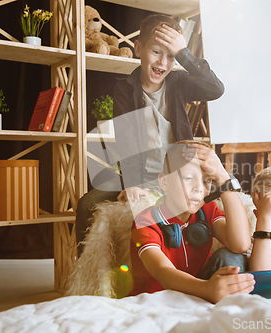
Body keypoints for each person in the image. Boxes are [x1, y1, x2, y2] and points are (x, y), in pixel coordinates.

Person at [75, 14, 225, 256]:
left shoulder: (179, 82)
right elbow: (126, 145)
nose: (163, 62)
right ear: (138, 48)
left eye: (171, 55)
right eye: (156, 52)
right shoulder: (125, 89)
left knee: (217, 200)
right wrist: (133, 187)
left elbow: (215, 89)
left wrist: (184, 52)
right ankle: (87, 274)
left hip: (179, 176)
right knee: (87, 203)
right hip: (142, 175)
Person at [129, 140, 254, 303]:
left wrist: (223, 177)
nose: (199, 188)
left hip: (200, 294)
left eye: (207, 181)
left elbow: (241, 244)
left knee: (231, 258)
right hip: (157, 300)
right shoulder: (145, 221)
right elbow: (163, 271)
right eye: (188, 178)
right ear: (164, 182)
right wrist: (207, 289)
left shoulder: (208, 211)